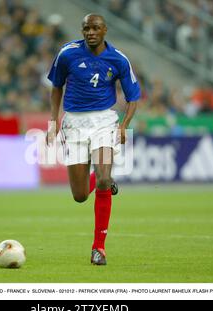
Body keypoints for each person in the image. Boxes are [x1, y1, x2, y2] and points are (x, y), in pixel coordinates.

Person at [46, 14, 141, 265]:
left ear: (105, 30)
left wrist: (123, 126)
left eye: (95, 28)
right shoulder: (67, 53)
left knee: (102, 179)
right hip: (74, 122)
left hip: (104, 122)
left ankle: (99, 248)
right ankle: (105, 180)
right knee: (79, 196)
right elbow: (56, 88)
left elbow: (133, 97)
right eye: (86, 28)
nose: (90, 32)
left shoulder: (119, 59)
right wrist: (53, 122)